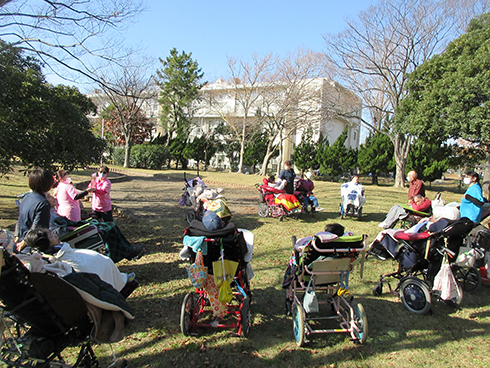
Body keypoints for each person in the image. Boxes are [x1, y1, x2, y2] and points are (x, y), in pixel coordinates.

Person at [23, 228, 137, 295]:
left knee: (104, 261)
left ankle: (120, 278)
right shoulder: (57, 257)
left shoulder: (58, 251)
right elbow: (81, 269)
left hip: (87, 260)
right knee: (103, 263)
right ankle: (120, 283)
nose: (56, 236)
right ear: (45, 243)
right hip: (91, 275)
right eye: (52, 236)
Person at [16, 169, 54, 242]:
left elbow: (19, 221)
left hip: (21, 238)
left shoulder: (26, 197)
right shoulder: (43, 203)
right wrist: (24, 243)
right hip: (31, 244)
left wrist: (17, 237)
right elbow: (38, 230)